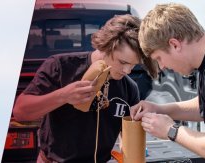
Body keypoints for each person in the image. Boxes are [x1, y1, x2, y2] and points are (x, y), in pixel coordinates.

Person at [13, 14, 157, 163]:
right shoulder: (60, 66)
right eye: (122, 62)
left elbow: (128, 137)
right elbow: (20, 112)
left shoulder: (129, 88)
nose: (127, 71)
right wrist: (63, 96)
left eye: (133, 65)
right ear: (105, 46)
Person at [131, 3, 205, 162]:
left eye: (159, 58)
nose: (162, 67)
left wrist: (171, 130)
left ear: (174, 44)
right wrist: (159, 109)